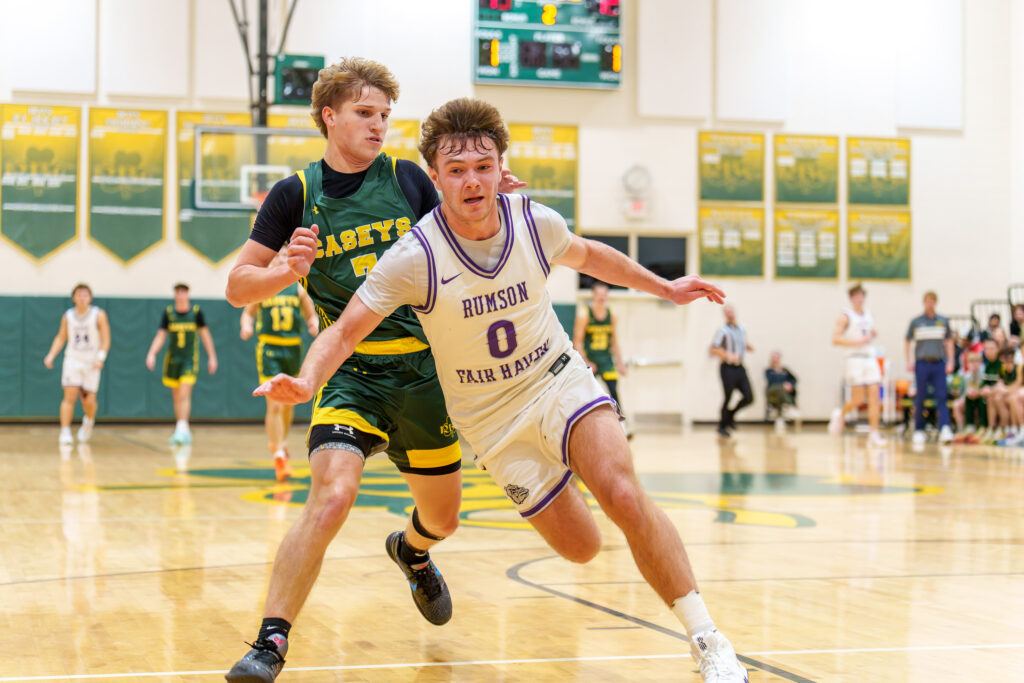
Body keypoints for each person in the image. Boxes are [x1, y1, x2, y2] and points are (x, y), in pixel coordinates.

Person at [257, 97, 747, 682]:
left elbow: (591, 255)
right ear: (433, 178)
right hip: (493, 421)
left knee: (621, 491)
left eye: (483, 166)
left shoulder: (533, 221)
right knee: (582, 547)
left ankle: (708, 639)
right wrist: (308, 379)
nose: (472, 180)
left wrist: (665, 288)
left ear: (500, 168)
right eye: (456, 170)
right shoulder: (413, 256)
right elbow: (343, 331)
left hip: (557, 380)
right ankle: (541, 481)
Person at [222, 59, 526, 682]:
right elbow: (235, 286)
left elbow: (471, 236)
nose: (379, 125)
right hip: (352, 373)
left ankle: (412, 553)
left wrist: (495, 204)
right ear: (329, 116)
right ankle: (269, 643)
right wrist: (283, 271)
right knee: (332, 495)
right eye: (366, 113)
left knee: (442, 519)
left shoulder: (409, 180)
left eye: (386, 115)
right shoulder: (295, 196)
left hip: (425, 374)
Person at [239, 250, 320, 481]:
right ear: (272, 261)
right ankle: (280, 451)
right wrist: (247, 326)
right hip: (269, 349)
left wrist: (314, 325)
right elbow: (247, 314)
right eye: (278, 256)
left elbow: (311, 316)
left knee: (287, 402)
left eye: (286, 256)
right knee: (274, 403)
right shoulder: (264, 287)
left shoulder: (299, 288)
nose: (282, 259)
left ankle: (279, 444)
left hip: (293, 348)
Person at [144, 283, 218, 444]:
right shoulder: (169, 313)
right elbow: (161, 336)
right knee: (177, 397)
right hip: (172, 360)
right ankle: (182, 429)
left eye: (184, 292)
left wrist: (212, 356)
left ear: (188, 295)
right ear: (175, 295)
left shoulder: (196, 313)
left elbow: (205, 336)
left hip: (189, 359)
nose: (181, 295)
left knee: (185, 394)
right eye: (178, 292)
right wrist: (152, 353)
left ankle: (182, 428)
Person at [43, 283, 111, 445]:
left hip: (91, 362)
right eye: (79, 294)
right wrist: (51, 355)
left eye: (85, 295)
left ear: (90, 297)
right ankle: (65, 430)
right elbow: (61, 336)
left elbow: (106, 339)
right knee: (69, 396)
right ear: (74, 297)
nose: (82, 298)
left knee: (88, 401)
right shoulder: (68, 316)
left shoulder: (98, 315)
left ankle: (89, 419)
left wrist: (100, 357)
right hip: (72, 360)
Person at [828, 284, 885, 446]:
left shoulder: (868, 315)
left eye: (862, 296)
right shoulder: (845, 316)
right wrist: (857, 342)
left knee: (875, 395)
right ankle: (841, 414)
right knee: (858, 398)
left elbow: (867, 333)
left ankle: (874, 432)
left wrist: (872, 334)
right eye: (856, 296)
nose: (859, 299)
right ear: (851, 298)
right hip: (853, 358)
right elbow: (835, 339)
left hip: (869, 356)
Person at [904, 291, 954, 446]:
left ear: (936, 303)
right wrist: (908, 361)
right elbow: (907, 341)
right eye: (927, 301)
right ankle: (919, 429)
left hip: (939, 363)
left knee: (941, 396)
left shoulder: (943, 321)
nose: (930, 303)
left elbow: (949, 342)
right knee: (920, 397)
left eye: (932, 301)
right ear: (923, 302)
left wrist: (950, 361)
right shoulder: (916, 322)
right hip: (921, 364)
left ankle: (944, 428)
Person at [573, 281, 627, 421]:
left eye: (604, 294)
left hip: (606, 360)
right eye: (599, 294)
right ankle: (582, 422)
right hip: (590, 359)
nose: (601, 297)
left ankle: (622, 425)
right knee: (586, 395)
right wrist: (586, 362)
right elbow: (577, 341)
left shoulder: (612, 314)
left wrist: (620, 363)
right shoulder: (584, 314)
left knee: (614, 391)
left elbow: (614, 342)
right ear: (594, 295)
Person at [709, 305, 754, 438]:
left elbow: (740, 343)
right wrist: (728, 356)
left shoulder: (742, 329)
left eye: (731, 312)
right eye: (727, 312)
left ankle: (730, 416)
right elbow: (713, 348)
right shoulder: (722, 331)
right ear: (724, 315)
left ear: (735, 312)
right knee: (728, 397)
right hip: (727, 368)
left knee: (749, 397)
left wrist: (747, 347)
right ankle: (722, 426)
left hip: (740, 367)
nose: (730, 314)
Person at [952, 351, 986, 443]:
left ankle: (981, 428)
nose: (974, 364)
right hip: (969, 399)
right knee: (957, 404)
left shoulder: (984, 375)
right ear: (967, 364)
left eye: (976, 361)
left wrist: (977, 392)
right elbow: (962, 393)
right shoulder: (966, 376)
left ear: (980, 363)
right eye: (971, 362)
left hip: (981, 400)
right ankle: (963, 429)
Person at [764, 351, 798, 422]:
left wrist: (790, 384)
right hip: (772, 391)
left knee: (783, 391)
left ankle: (781, 413)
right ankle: (788, 405)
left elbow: (794, 379)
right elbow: (771, 381)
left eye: (777, 358)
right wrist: (783, 385)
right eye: (774, 358)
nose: (775, 359)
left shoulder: (784, 370)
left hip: (783, 392)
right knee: (779, 389)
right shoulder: (768, 371)